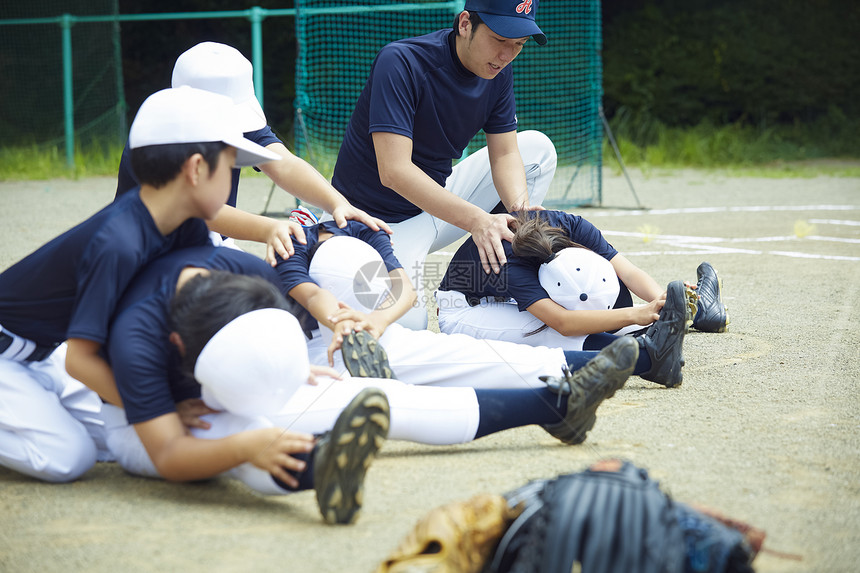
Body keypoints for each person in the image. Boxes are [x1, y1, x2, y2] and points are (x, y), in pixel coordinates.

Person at [101, 245, 636, 523]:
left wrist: (286, 365)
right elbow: (167, 453)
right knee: (244, 445)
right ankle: (319, 465)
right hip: (141, 416)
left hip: (222, 375)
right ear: (177, 349)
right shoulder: (131, 340)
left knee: (383, 399)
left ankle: (552, 405)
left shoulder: (236, 274)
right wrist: (230, 433)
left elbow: (277, 317)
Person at [0, 86, 280, 482]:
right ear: (197, 169)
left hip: (42, 353)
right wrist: (164, 404)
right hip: (19, 353)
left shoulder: (185, 226)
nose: (233, 182)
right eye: (231, 166)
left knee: (115, 442)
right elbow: (82, 360)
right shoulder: (120, 242)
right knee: (68, 457)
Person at [329, 0, 557, 329]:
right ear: (465, 24)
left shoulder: (498, 72)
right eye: (499, 40)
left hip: (436, 201)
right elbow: (394, 172)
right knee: (407, 328)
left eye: (518, 45)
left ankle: (488, 273)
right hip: (373, 222)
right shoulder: (402, 61)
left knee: (537, 149)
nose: (507, 55)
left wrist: (520, 214)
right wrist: (478, 220)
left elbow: (506, 154)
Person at [271, 217, 685, 389]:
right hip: (462, 309)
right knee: (540, 332)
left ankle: (644, 343)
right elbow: (560, 320)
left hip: (381, 312)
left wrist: (659, 303)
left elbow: (625, 271)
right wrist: (635, 315)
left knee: (600, 320)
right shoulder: (515, 266)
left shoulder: (572, 226)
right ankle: (645, 357)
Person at [115, 41, 390, 265]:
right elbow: (195, 211)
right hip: (149, 253)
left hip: (211, 243)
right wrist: (269, 228)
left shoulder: (230, 123)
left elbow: (284, 164)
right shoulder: (155, 139)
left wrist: (338, 204)